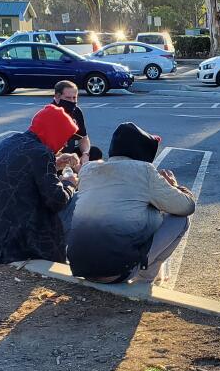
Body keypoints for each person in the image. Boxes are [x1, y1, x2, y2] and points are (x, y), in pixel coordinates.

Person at [67, 122, 194, 284]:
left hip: (80, 267)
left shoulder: (88, 169)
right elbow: (187, 206)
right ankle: (145, 279)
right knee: (180, 219)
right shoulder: (145, 171)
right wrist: (175, 186)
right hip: (117, 271)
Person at [0, 104, 81, 264]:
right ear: (54, 131)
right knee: (76, 199)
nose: (65, 144)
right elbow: (57, 200)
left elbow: (23, 176)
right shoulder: (41, 153)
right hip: (16, 244)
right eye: (65, 137)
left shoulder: (9, 142)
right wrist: (69, 183)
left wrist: (54, 164)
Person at [51, 80, 103, 164]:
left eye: (74, 97)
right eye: (68, 98)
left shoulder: (76, 111)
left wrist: (85, 154)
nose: (72, 101)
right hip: (54, 155)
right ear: (57, 96)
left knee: (94, 152)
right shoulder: (50, 113)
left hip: (71, 151)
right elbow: (47, 147)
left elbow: (83, 137)